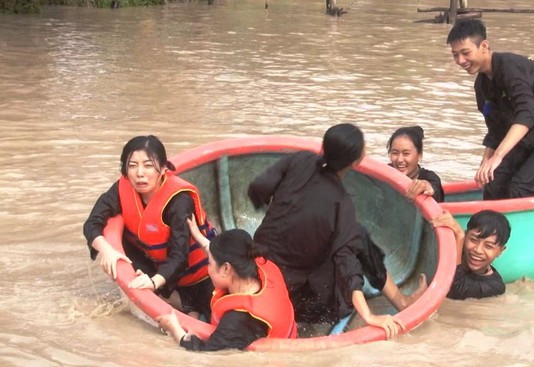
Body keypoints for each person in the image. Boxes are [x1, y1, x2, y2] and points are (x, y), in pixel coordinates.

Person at [247, 123, 422, 339]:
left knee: (349, 235)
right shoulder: (341, 203)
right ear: (356, 161)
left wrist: (285, 212)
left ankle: (399, 299)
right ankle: (400, 300)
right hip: (293, 297)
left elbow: (257, 189)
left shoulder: (300, 160)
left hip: (254, 269)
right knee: (358, 236)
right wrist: (368, 315)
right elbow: (347, 263)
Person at [83, 135, 216, 320]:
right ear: (125, 170)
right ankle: (182, 304)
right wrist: (107, 250)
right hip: (164, 272)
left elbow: (180, 257)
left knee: (216, 320)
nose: (139, 173)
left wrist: (152, 283)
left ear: (162, 168)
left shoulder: (179, 201)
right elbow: (92, 223)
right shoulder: (123, 188)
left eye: (148, 165)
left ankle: (188, 306)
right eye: (132, 166)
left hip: (203, 277)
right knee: (122, 241)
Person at [447, 19, 534, 200]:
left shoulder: (511, 67)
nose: (461, 61)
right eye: (455, 55)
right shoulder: (482, 85)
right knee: (492, 184)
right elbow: (495, 130)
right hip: (526, 137)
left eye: (465, 53)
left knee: (520, 188)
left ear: (484, 46)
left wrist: (498, 156)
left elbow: (527, 113)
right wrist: (486, 161)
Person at [156, 225, 297, 351]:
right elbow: (229, 255)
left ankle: (191, 309)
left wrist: (174, 328)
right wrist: (198, 236)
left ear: (225, 269)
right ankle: (193, 308)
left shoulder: (238, 321)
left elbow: (205, 354)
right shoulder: (261, 264)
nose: (208, 269)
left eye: (209, 263)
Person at [431, 209, 510, 299]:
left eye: (488, 246)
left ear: (500, 251)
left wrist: (459, 236)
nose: (478, 250)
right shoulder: (452, 248)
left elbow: (453, 290)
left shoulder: (495, 287)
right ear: (466, 235)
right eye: (473, 240)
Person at [387, 126, 445, 203]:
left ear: (419, 155)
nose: (400, 159)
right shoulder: (384, 174)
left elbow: (436, 193)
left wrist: (426, 187)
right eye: (395, 153)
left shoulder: (430, 178)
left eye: (406, 153)